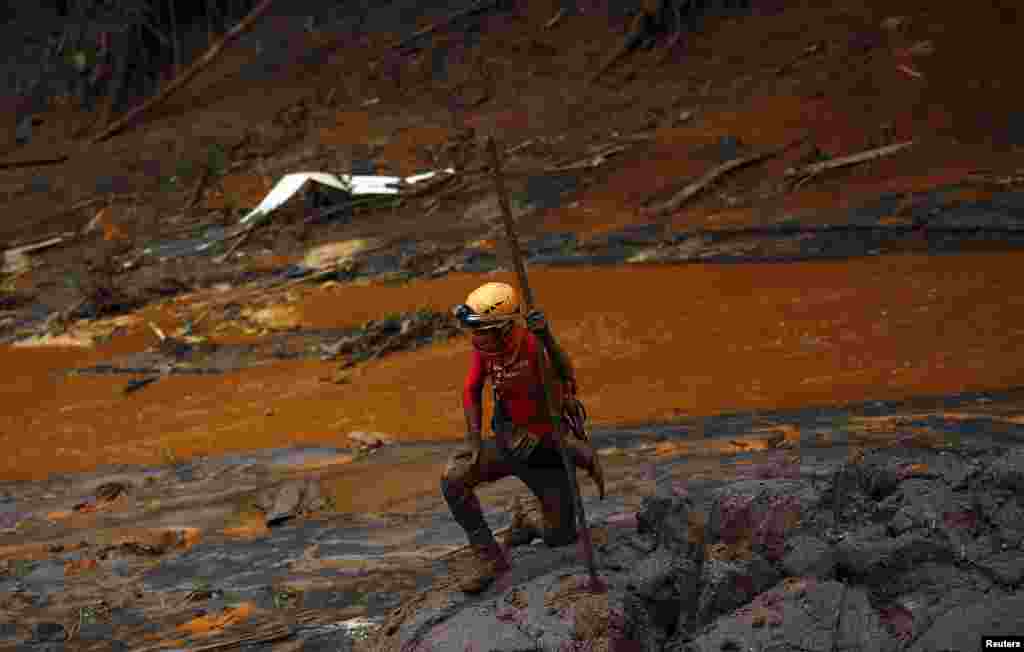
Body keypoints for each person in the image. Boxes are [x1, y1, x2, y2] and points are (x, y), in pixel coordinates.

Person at [441, 281, 604, 594]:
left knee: (561, 537)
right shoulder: (484, 349)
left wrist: (546, 336)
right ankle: (489, 558)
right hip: (508, 443)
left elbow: (566, 372)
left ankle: (529, 523)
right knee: (453, 478)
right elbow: (471, 389)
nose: (474, 338)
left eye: (481, 330)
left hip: (546, 449)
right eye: (473, 330)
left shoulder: (532, 345)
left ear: (503, 329)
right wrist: (474, 440)